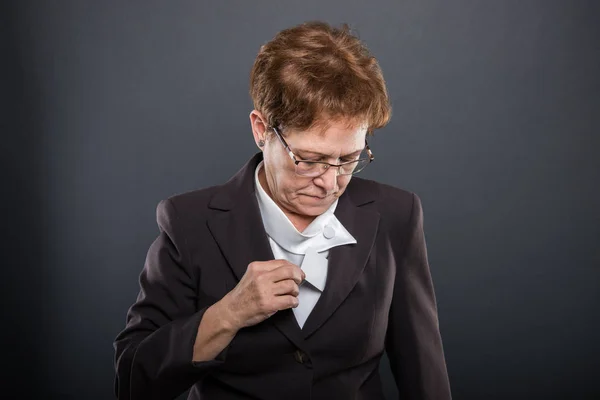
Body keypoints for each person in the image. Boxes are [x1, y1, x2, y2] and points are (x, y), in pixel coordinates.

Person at [114, 21, 452, 400]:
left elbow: (425, 377)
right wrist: (228, 314)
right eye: (309, 159)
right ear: (261, 130)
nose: (330, 181)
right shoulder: (188, 222)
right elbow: (133, 378)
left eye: (350, 159)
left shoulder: (396, 215)